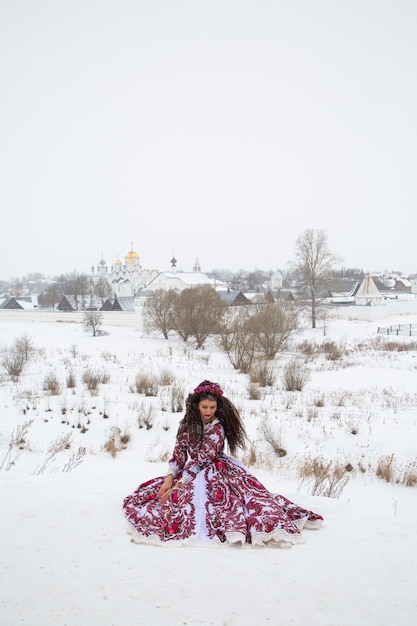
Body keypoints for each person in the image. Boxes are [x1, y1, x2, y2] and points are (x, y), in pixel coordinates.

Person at [123, 380, 323, 547]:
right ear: (196, 406)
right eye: (204, 407)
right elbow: (179, 454)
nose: (209, 411)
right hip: (191, 469)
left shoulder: (217, 428)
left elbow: (203, 459)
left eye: (212, 407)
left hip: (216, 469)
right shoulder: (186, 424)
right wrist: (169, 478)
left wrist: (179, 483)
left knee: (234, 501)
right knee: (163, 498)